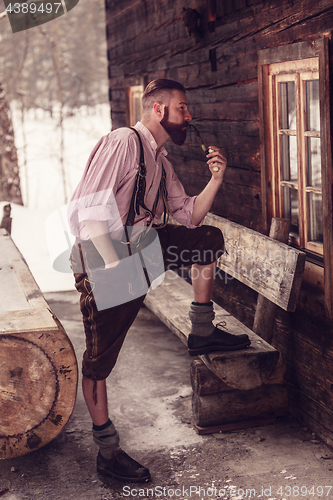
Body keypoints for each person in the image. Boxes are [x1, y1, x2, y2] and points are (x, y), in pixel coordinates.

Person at [67, 79, 250, 483]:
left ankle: (201, 331)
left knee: (206, 239)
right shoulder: (122, 143)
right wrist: (116, 265)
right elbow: (88, 206)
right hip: (102, 258)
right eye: (182, 108)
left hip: (139, 248)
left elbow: (189, 215)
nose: (189, 116)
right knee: (99, 362)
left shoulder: (159, 160)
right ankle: (108, 454)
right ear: (158, 110)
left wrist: (217, 179)